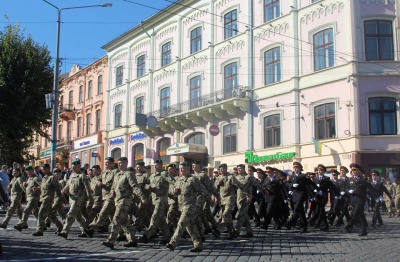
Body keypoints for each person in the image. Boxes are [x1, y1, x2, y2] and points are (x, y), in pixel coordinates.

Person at [102, 157, 147, 249]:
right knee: (124, 222)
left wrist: (142, 197)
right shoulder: (117, 175)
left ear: (126, 163)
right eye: (118, 163)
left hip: (125, 201)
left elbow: (135, 186)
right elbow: (113, 187)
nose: (119, 165)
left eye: (121, 163)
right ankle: (132, 240)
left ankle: (111, 241)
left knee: (116, 219)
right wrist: (111, 192)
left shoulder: (129, 174)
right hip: (117, 200)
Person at [166, 161, 208, 252]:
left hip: (190, 206)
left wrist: (199, 203)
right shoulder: (179, 180)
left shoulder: (193, 180)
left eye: (183, 168)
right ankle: (198, 244)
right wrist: (174, 192)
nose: (181, 170)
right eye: (180, 168)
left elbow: (203, 191)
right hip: (181, 206)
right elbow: (173, 192)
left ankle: (172, 243)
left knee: (181, 224)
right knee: (190, 226)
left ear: (188, 169)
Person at [57, 159, 94, 239]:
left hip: (78, 198)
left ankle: (65, 231)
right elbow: (68, 184)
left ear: (79, 166)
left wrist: (90, 200)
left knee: (70, 215)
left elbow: (88, 189)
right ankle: (87, 230)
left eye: (75, 166)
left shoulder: (82, 176)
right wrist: (63, 190)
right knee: (78, 217)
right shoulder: (72, 175)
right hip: (71, 198)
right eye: (72, 166)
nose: (73, 168)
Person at [140, 159, 173, 244]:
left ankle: (147, 235)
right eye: (154, 165)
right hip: (154, 200)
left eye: (157, 165)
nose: (155, 166)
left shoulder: (164, 174)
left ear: (161, 165)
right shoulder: (152, 176)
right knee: (161, 220)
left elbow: (173, 181)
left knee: (155, 217)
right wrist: (147, 186)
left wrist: (174, 189)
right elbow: (145, 184)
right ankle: (167, 237)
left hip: (161, 199)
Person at [345, 163, 378, 236]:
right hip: (353, 199)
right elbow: (346, 188)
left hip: (361, 199)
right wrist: (348, 191)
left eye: (355, 170)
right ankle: (364, 230)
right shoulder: (350, 179)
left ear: (358, 170)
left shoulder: (364, 179)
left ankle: (349, 225)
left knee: (355, 213)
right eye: (352, 170)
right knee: (360, 215)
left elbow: (371, 188)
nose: (353, 171)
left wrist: (377, 196)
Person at [32, 164, 64, 236]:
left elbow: (57, 189)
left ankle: (39, 230)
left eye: (43, 169)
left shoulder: (52, 178)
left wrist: (61, 198)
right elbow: (43, 187)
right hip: (43, 197)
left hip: (48, 198)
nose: (42, 171)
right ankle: (60, 227)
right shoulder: (45, 178)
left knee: (41, 213)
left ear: (47, 169)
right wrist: (37, 188)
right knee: (50, 215)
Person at [286, 162, 317, 233]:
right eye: (294, 168)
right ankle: (304, 227)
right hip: (294, 195)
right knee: (301, 212)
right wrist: (292, 185)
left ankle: (290, 223)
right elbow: (287, 184)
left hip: (301, 195)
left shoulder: (304, 176)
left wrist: (317, 189)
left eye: (297, 168)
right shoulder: (292, 176)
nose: (295, 169)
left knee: (296, 209)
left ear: (300, 169)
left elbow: (311, 183)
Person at [214, 163, 243, 240]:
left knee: (225, 214)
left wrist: (245, 195)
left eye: (222, 169)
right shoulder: (218, 178)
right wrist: (217, 184)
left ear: (226, 169)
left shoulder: (231, 177)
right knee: (229, 219)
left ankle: (218, 230)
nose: (221, 170)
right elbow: (215, 190)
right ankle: (232, 233)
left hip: (230, 199)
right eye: (220, 169)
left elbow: (240, 186)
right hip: (222, 200)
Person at [89, 157, 118, 232]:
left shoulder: (116, 172)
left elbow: (117, 183)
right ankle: (120, 233)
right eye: (105, 162)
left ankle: (93, 227)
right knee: (112, 215)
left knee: (103, 211)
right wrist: (98, 182)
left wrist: (111, 188)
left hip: (112, 196)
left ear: (112, 163)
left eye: (108, 162)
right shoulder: (105, 172)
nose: (106, 164)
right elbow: (98, 178)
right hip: (104, 196)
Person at [14, 165, 41, 231]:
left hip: (34, 197)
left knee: (26, 210)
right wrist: (24, 186)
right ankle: (42, 224)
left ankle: (21, 224)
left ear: (32, 170)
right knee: (35, 212)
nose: (27, 172)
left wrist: (37, 188)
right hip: (29, 197)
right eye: (26, 171)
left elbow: (43, 186)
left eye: (28, 171)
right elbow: (26, 189)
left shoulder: (36, 178)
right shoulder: (29, 178)